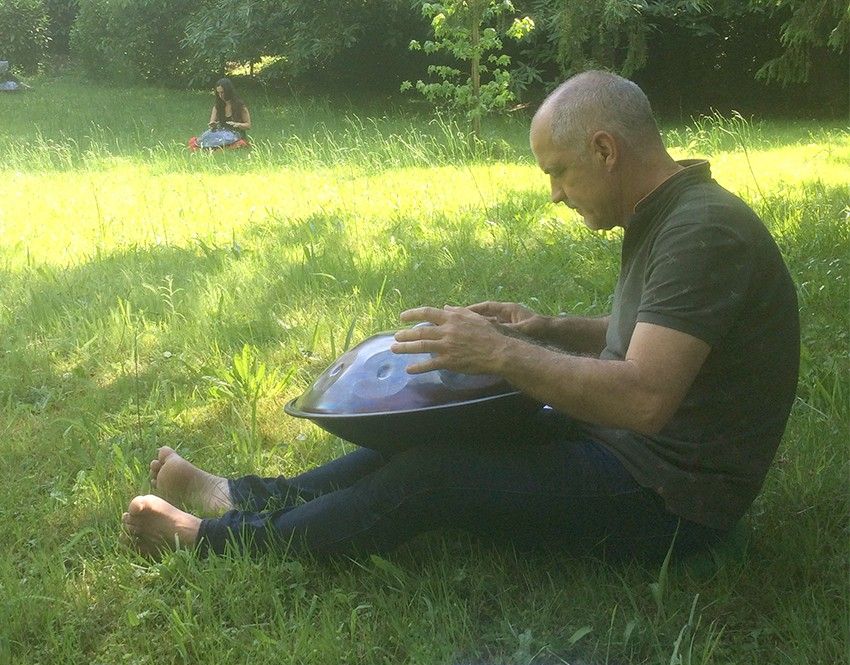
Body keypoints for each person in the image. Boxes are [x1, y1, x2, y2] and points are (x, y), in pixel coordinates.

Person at [124, 70, 800, 561]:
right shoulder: (675, 214)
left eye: (559, 171)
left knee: (434, 478)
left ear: (605, 149)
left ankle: (214, 541)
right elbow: (661, 336)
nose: (556, 194)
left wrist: (501, 352)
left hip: (671, 500)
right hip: (621, 447)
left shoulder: (703, 232)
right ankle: (246, 495)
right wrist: (547, 329)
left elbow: (645, 396)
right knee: (442, 429)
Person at [192, 77, 251, 150]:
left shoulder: (240, 106)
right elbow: (212, 124)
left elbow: (248, 125)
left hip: (237, 138)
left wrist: (237, 124)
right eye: (218, 93)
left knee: (239, 144)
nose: (220, 95)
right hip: (221, 137)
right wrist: (213, 124)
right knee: (195, 143)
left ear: (228, 91)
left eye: (222, 92)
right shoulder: (217, 107)